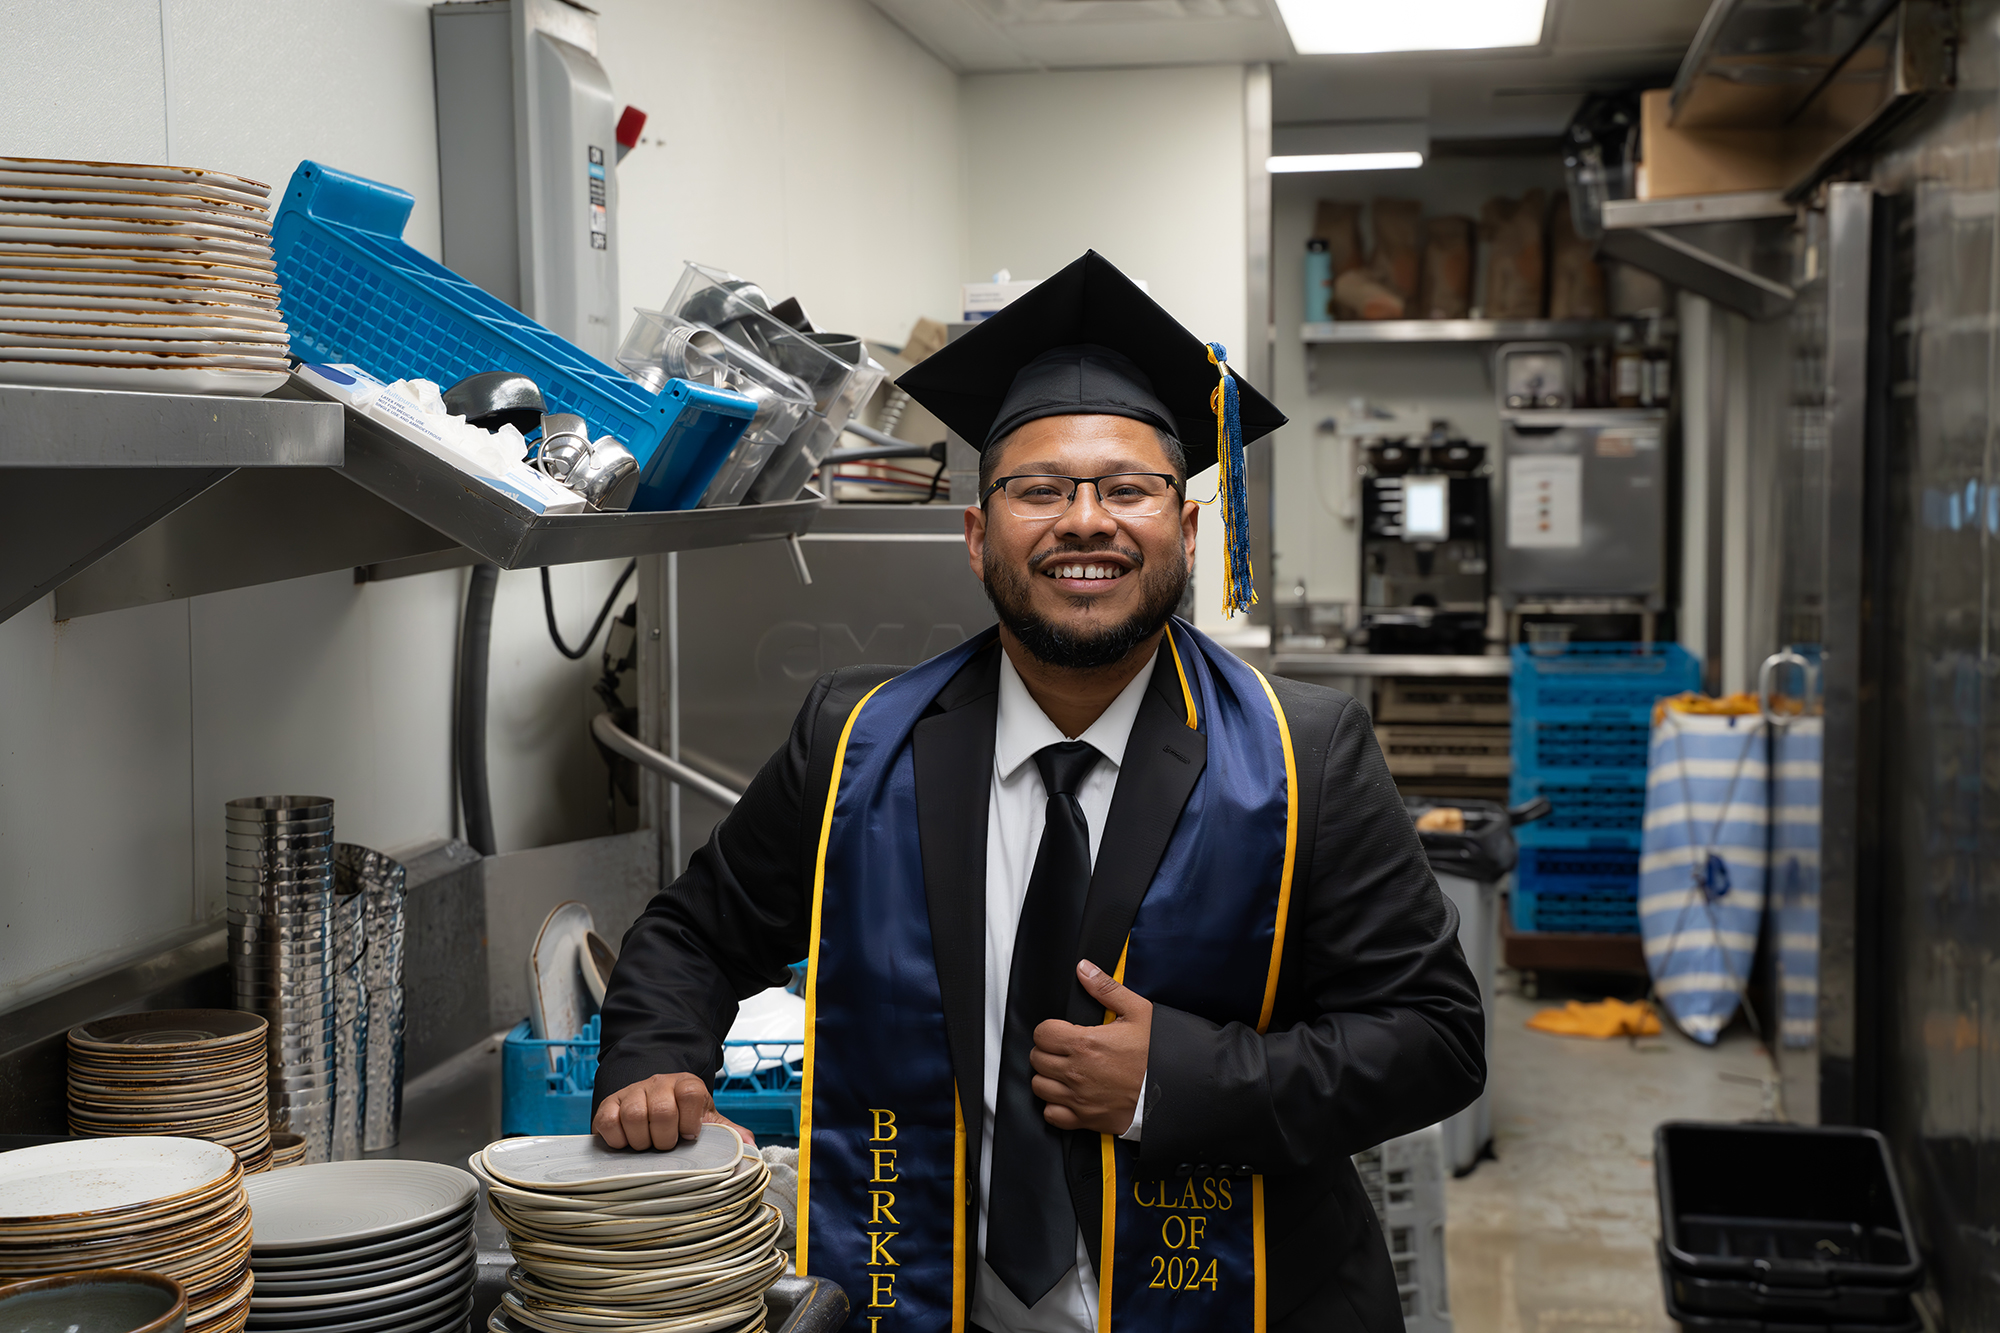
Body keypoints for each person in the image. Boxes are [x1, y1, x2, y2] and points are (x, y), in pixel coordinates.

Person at [593, 251, 1485, 1333]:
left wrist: (1177, 1081)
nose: (1084, 520)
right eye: (1039, 490)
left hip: (1248, 1303)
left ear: (1186, 531)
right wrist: (650, 1056)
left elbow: (1435, 1038)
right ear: (977, 538)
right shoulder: (857, 742)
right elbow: (696, 932)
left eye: (1125, 489)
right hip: (921, 1297)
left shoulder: (1305, 754)